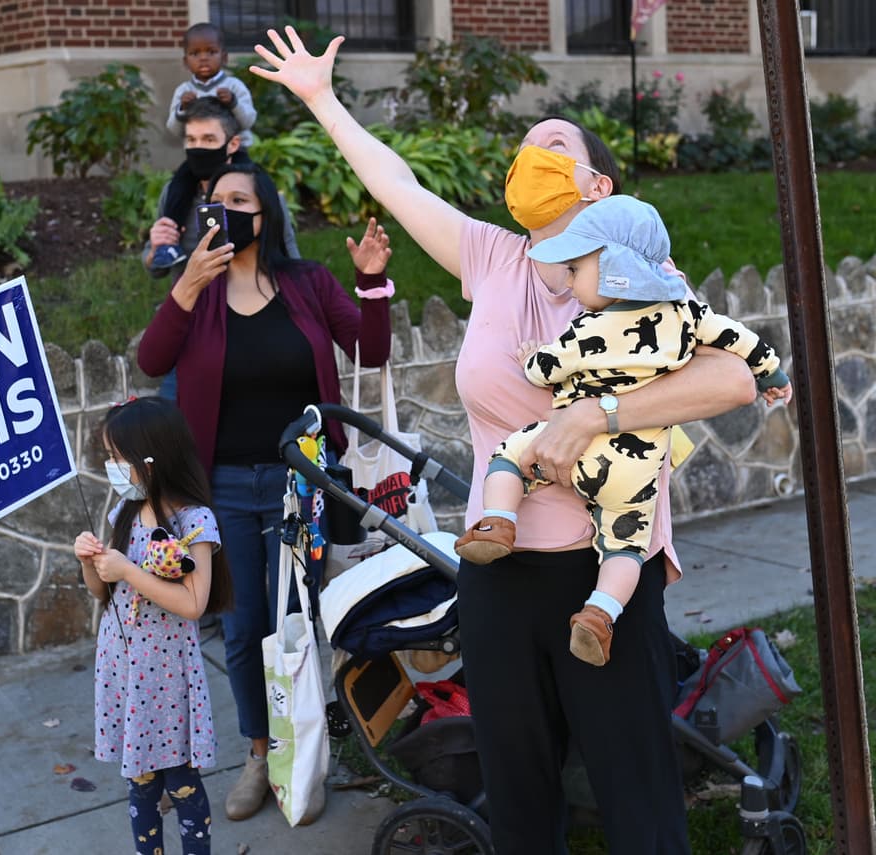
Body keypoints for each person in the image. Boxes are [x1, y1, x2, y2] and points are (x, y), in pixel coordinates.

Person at [252, 27, 760, 853]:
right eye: (527, 149)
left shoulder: (645, 277)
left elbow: (733, 378)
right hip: (497, 572)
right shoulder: (492, 257)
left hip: (605, 575)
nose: (534, 155)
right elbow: (397, 182)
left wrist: (593, 414)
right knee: (519, 800)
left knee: (637, 796)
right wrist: (322, 100)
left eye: (554, 147)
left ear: (599, 184)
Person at [137, 160, 393, 823]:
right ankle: (261, 753)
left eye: (239, 199)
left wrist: (371, 282)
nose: (224, 210)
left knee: (302, 622)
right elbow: (151, 359)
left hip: (301, 483)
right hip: (222, 488)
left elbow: (370, 351)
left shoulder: (306, 282)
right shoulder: (199, 292)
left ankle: (312, 745)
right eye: (215, 200)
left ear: (265, 213)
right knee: (244, 625)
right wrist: (186, 285)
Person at [455, 194, 793, 667]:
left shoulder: (586, 331)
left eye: (575, 270)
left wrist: (532, 356)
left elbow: (543, 371)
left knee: (510, 455)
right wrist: (772, 375)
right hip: (634, 471)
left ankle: (497, 521)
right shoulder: (686, 315)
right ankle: (600, 614)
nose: (569, 283)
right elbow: (740, 340)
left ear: (614, 270)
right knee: (627, 547)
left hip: (577, 454)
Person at [74, 396, 234, 855]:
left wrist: (128, 570)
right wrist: (89, 562)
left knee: (181, 782)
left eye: (116, 456)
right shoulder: (124, 512)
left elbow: (193, 603)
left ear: (151, 459)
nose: (110, 466)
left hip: (166, 677)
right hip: (125, 669)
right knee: (140, 783)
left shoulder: (194, 521)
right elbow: (102, 592)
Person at [144, 96, 298, 276]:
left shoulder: (262, 195)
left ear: (233, 144)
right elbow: (157, 271)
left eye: (209, 139)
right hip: (192, 293)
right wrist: (155, 249)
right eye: (191, 140)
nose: (198, 148)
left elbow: (290, 259)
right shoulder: (173, 195)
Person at [151, 23, 257, 272]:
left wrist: (233, 104)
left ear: (224, 56)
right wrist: (181, 110)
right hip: (198, 158)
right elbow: (174, 129)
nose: (203, 58)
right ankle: (169, 243)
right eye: (195, 53)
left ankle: (247, 241)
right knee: (179, 186)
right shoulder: (184, 91)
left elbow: (249, 121)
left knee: (248, 187)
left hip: (234, 155)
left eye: (211, 51)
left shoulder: (233, 87)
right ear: (185, 61)